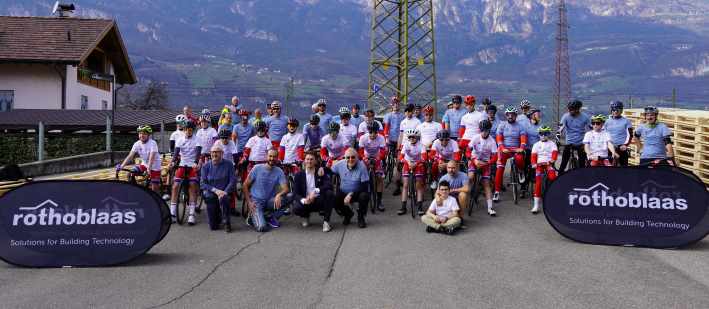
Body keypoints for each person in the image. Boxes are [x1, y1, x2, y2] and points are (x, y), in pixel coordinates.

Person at [243, 149, 291, 232]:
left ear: (277, 158)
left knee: (290, 196)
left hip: (269, 201)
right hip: (256, 202)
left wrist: (278, 195)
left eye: (274, 156)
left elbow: (286, 189)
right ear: (266, 156)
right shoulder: (257, 168)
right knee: (262, 227)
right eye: (270, 156)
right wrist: (249, 202)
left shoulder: (279, 171)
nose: (272, 158)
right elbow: (245, 185)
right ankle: (252, 218)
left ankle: (268, 216)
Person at [292, 152, 335, 232]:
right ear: (304, 161)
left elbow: (329, 185)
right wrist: (304, 200)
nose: (309, 161)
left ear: (315, 161)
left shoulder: (320, 172)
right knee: (296, 208)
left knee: (329, 194)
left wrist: (315, 191)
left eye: (312, 159)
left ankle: (326, 222)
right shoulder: (299, 175)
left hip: (318, 199)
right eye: (307, 159)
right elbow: (295, 193)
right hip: (306, 201)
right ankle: (305, 216)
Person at [170, 120, 201, 225]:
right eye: (187, 130)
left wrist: (196, 163)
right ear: (184, 130)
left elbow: (198, 152)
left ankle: (191, 214)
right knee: (175, 186)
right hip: (182, 164)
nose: (188, 131)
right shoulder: (180, 139)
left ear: (193, 130)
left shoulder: (197, 139)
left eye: (190, 130)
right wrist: (173, 161)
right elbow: (176, 153)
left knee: (192, 185)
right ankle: (172, 213)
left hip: (192, 165)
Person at [493, 107, 527, 202]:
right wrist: (502, 148)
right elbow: (499, 139)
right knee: (499, 169)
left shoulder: (520, 126)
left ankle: (520, 171)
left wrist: (521, 148)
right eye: (508, 114)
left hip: (516, 149)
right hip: (504, 149)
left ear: (516, 115)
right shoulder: (502, 125)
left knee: (520, 159)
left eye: (512, 114)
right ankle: (496, 192)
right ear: (506, 115)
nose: (510, 116)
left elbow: (523, 140)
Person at [200, 143, 236, 232]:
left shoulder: (229, 164)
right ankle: (217, 214)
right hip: (211, 193)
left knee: (224, 198)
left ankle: (227, 221)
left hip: (224, 192)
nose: (214, 154)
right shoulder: (206, 166)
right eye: (213, 152)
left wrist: (225, 192)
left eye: (217, 152)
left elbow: (232, 181)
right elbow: (202, 184)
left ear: (222, 153)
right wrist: (216, 190)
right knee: (213, 227)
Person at [331, 148, 371, 228]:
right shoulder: (340, 164)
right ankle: (348, 214)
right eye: (348, 157)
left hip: (358, 192)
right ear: (344, 158)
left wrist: (351, 194)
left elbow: (365, 187)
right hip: (343, 191)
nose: (350, 159)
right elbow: (329, 170)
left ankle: (361, 217)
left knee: (364, 196)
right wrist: (322, 169)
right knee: (334, 199)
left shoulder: (362, 167)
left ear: (357, 158)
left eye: (353, 157)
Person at [117, 125, 162, 193]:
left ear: (148, 135)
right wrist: (121, 166)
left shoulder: (152, 143)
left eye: (144, 133)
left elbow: (151, 157)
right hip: (144, 165)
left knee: (154, 188)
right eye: (140, 133)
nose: (141, 135)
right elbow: (130, 156)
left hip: (155, 166)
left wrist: (149, 169)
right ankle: (137, 191)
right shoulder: (137, 144)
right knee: (131, 173)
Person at [469, 119, 498, 216]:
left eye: (486, 130)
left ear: (489, 130)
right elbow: (468, 151)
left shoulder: (492, 141)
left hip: (486, 162)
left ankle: (490, 208)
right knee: (470, 177)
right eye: (482, 130)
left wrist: (487, 163)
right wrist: (474, 160)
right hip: (475, 160)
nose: (484, 132)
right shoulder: (475, 138)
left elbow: (495, 157)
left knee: (486, 184)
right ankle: (467, 193)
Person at [358, 122, 387, 211]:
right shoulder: (363, 138)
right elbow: (360, 151)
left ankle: (379, 201)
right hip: (366, 156)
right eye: (371, 132)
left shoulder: (381, 138)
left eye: (375, 132)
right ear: (368, 131)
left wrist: (378, 159)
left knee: (379, 178)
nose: (373, 134)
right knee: (362, 176)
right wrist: (364, 159)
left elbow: (383, 152)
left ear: (377, 132)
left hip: (377, 156)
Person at [398, 129, 427, 215]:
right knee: (405, 185)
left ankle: (420, 207)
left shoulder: (421, 145)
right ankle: (403, 207)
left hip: (418, 164)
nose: (412, 138)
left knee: (419, 185)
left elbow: (424, 158)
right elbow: (401, 157)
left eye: (413, 137)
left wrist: (416, 163)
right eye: (410, 137)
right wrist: (408, 162)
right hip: (408, 163)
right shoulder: (406, 144)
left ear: (417, 137)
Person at [530, 126, 558, 213]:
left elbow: (554, 153)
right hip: (539, 165)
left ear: (548, 134)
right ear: (539, 134)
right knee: (538, 182)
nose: (543, 135)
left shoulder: (552, 144)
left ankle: (553, 197)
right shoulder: (536, 145)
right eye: (541, 133)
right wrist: (534, 164)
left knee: (553, 177)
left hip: (548, 163)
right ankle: (536, 205)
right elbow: (533, 156)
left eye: (545, 134)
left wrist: (552, 160)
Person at [558, 100, 591, 172]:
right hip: (570, 142)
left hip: (581, 142)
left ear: (578, 109)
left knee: (582, 163)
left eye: (572, 109)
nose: (570, 111)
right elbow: (560, 128)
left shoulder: (585, 117)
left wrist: (590, 140)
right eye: (569, 109)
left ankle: (582, 175)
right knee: (564, 162)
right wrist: (558, 136)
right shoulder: (565, 116)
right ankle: (560, 174)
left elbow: (591, 129)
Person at [383, 96, 404, 195]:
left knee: (398, 161)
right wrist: (386, 138)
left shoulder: (402, 116)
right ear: (391, 105)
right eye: (394, 103)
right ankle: (386, 167)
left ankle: (398, 180)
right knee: (388, 156)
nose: (396, 105)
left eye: (397, 103)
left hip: (399, 140)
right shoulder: (388, 115)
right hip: (390, 139)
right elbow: (386, 128)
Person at [603, 101, 633, 166]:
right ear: (611, 110)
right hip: (610, 148)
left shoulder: (626, 121)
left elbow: (630, 135)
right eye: (614, 110)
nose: (615, 111)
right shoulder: (606, 121)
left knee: (623, 168)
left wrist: (625, 145)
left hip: (621, 147)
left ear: (621, 110)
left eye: (618, 110)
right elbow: (603, 134)